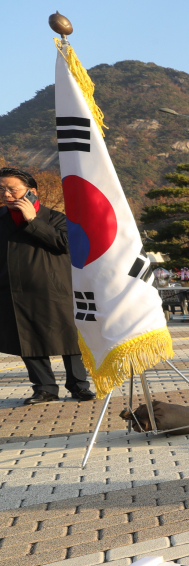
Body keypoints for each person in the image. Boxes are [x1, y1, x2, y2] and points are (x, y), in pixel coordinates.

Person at [0, 167, 95, 404]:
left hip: (55, 290)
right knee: (27, 340)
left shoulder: (55, 218)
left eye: (12, 189)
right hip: (14, 292)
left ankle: (79, 385)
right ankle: (44, 388)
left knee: (69, 338)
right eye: (2, 190)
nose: (7, 195)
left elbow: (66, 244)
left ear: (31, 191)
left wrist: (32, 220)